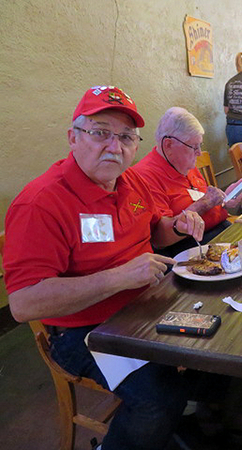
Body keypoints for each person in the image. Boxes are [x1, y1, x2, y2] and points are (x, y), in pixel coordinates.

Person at [3, 86, 206, 450]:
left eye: (127, 137)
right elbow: (23, 304)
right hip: (83, 330)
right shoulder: (40, 203)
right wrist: (119, 277)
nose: (115, 146)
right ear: (73, 138)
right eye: (100, 132)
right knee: (158, 398)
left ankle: (179, 428)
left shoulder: (132, 182)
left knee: (215, 349)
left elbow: (155, 235)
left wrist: (175, 224)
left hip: (143, 306)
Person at [133, 107, 242, 256]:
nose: (199, 153)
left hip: (220, 230)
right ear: (168, 145)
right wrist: (205, 203)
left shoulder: (183, 162)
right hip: (190, 247)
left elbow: (202, 198)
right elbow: (160, 238)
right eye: (194, 147)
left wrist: (225, 200)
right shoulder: (145, 176)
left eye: (200, 145)